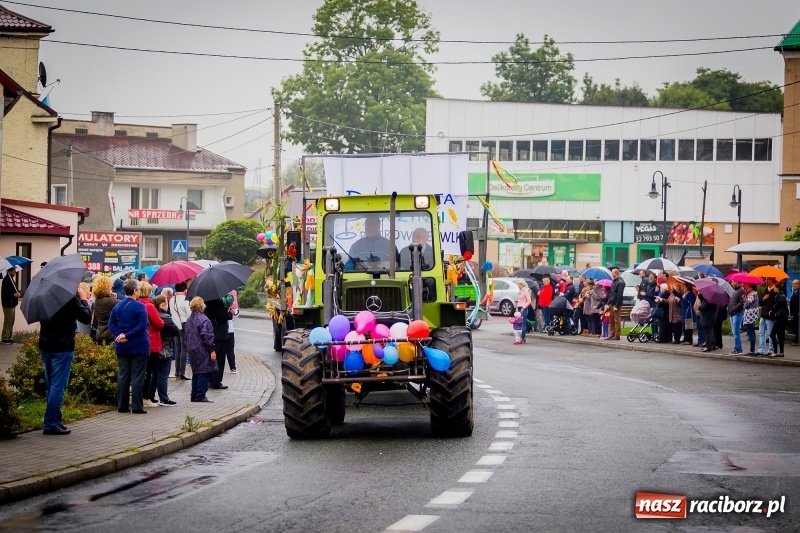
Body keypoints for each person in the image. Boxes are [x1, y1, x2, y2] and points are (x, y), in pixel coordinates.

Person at [38, 284, 92, 435]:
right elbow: (86, 317)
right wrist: (83, 300)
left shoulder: (45, 297)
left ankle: (55, 419)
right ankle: (51, 423)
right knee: (58, 386)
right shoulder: (70, 299)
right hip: (62, 347)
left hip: (45, 344)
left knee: (50, 384)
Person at [108, 279, 150, 414]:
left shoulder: (118, 306)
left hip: (122, 346)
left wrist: (119, 335)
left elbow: (111, 324)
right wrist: (128, 335)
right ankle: (137, 406)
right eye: (138, 289)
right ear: (135, 291)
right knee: (137, 376)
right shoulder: (140, 307)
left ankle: (122, 405)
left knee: (123, 375)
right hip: (139, 345)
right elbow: (142, 325)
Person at [185, 297, 218, 403]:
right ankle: (200, 396)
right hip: (202, 349)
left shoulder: (190, 319)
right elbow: (207, 336)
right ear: (202, 306)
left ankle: (194, 396)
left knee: (196, 372)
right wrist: (212, 349)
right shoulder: (204, 319)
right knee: (205, 371)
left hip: (192, 348)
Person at [138, 282, 165, 408]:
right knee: (149, 371)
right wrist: (163, 320)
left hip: (139, 342)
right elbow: (159, 324)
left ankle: (140, 396)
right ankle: (146, 397)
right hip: (152, 342)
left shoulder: (137, 304)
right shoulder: (149, 306)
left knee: (141, 371)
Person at [152, 295, 180, 405]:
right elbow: (176, 330)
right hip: (165, 349)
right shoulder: (166, 317)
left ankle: (151, 396)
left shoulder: (154, 315)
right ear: (163, 304)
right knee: (163, 375)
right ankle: (163, 398)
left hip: (154, 348)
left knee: (154, 374)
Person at [205, 297, 231, 390]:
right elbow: (222, 317)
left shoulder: (206, 301)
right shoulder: (217, 302)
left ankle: (210, 379)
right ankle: (216, 381)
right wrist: (229, 313)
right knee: (219, 358)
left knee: (210, 358)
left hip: (209, 332)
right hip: (219, 334)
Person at [169, 281, 192, 380]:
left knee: (177, 349)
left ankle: (176, 371)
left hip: (174, 326)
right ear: (184, 289)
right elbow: (190, 315)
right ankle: (182, 372)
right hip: (184, 326)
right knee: (184, 349)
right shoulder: (185, 300)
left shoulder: (171, 299)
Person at [92, 276, 119, 345]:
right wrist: (115, 298)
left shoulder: (96, 301)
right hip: (110, 335)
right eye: (110, 287)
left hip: (100, 333)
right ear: (106, 288)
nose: (111, 288)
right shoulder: (110, 301)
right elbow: (125, 304)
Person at [765, 285, 788, 358]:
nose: (773, 288)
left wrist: (772, 311)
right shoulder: (778, 295)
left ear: (777, 288)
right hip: (780, 317)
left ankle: (775, 352)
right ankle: (781, 352)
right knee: (779, 335)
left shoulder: (781, 296)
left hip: (781, 317)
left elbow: (777, 305)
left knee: (772, 334)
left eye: (774, 287)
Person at [1, 267, 22, 344]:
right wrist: (14, 294)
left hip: (12, 304)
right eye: (14, 271)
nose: (15, 272)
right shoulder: (6, 280)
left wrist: (17, 293)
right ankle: (5, 338)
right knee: (8, 320)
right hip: (8, 304)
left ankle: (9, 336)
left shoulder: (11, 280)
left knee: (11, 321)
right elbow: (5, 293)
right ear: (9, 271)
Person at [757, 278, 776, 356]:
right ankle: (761, 350)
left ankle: (771, 350)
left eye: (767, 279)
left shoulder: (776, 290)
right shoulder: (766, 290)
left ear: (771, 280)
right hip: (764, 314)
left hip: (770, 314)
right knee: (761, 332)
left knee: (771, 333)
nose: (765, 281)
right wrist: (764, 298)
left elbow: (777, 302)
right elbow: (760, 303)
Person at [727, 280, 745, 355]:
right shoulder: (737, 291)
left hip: (737, 313)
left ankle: (738, 349)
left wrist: (733, 309)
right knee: (734, 332)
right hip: (733, 313)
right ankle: (738, 348)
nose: (732, 283)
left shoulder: (741, 291)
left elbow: (741, 302)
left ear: (737, 282)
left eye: (733, 282)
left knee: (736, 331)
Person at [607, 268, 625, 341]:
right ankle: (612, 333)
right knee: (611, 319)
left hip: (616, 303)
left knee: (616, 319)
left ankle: (617, 335)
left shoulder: (620, 282)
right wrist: (608, 303)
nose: (611, 274)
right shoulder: (614, 281)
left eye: (612, 273)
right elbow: (612, 293)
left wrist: (617, 305)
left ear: (616, 273)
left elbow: (619, 295)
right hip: (612, 303)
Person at [224, 290, 240, 373]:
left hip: (230, 329)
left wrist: (233, 312)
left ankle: (232, 367)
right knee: (221, 350)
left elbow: (237, 313)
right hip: (220, 329)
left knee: (230, 348)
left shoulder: (232, 293)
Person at [742, 283, 760, 355]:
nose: (747, 289)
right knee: (752, 332)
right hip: (754, 315)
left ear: (751, 288)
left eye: (748, 287)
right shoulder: (755, 294)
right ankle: (752, 349)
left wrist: (744, 299)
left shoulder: (751, 295)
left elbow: (746, 305)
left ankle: (752, 350)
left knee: (751, 333)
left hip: (750, 316)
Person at [789, 279, 799, 347]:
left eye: (796, 284)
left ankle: (796, 341)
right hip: (794, 313)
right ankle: (796, 340)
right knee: (796, 326)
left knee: (797, 327)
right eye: (793, 284)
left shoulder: (798, 292)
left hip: (797, 312)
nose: (794, 285)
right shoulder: (793, 291)